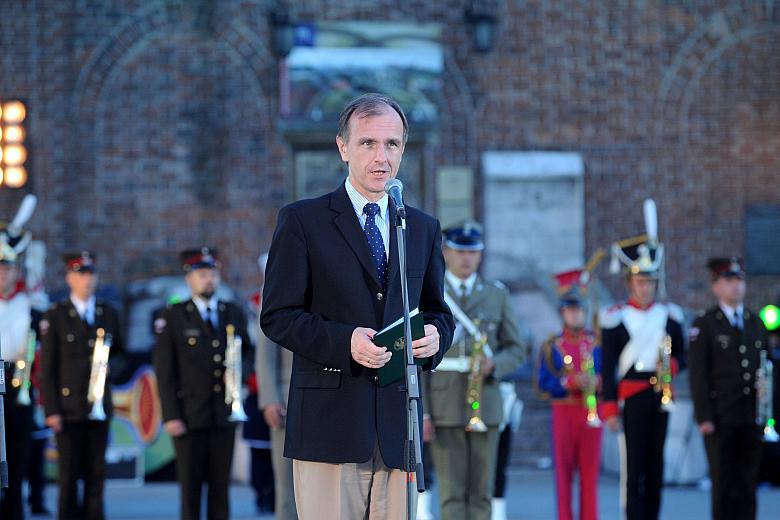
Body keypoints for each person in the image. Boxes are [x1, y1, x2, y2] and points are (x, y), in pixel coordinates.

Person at [260, 92, 454, 519]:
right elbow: (277, 316)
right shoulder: (302, 221)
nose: (381, 156)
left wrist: (435, 338)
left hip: (397, 429)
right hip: (329, 427)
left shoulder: (420, 227)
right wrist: (345, 341)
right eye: (368, 143)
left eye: (392, 144)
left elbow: (439, 311)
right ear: (343, 148)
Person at [423, 221, 526, 520]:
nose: (466, 258)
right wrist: (425, 412)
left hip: (487, 399)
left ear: (480, 255)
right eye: (459, 251)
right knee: (452, 492)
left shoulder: (497, 295)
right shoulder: (431, 293)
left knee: (482, 492)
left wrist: (497, 365)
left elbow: (517, 348)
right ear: (446, 253)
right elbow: (418, 358)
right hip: (445, 405)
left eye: (473, 252)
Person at [153, 247, 253, 520]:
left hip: (223, 413)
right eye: (201, 274)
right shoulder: (173, 316)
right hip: (189, 415)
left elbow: (248, 353)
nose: (208, 279)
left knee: (221, 490)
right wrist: (171, 415)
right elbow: (165, 371)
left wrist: (238, 377)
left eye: (212, 274)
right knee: (191, 490)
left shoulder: (231, 311)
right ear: (189, 279)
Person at [600, 228, 685, 520]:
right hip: (631, 398)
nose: (646, 287)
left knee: (656, 464)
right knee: (633, 465)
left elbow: (682, 355)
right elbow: (608, 365)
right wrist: (609, 405)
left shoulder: (670, 316)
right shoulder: (616, 318)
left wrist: (671, 366)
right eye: (640, 281)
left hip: (661, 395)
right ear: (629, 283)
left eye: (650, 281)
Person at [39, 251, 124, 520]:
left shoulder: (107, 313)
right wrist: (51, 410)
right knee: (68, 477)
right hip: (68, 408)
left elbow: (122, 354)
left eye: (90, 274)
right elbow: (47, 367)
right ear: (69, 278)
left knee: (96, 476)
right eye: (80, 274)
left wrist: (111, 369)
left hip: (98, 406)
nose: (87, 280)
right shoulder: (57, 315)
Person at [688, 257, 770, 520]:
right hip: (721, 416)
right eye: (729, 280)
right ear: (716, 286)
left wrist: (767, 407)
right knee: (723, 484)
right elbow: (698, 373)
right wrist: (704, 416)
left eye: (739, 280)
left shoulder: (755, 322)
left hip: (751, 416)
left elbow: (767, 367)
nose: (736, 286)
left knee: (748, 484)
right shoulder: (706, 323)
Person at [537, 268, 603, 520]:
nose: (575, 315)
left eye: (579, 310)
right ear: (563, 313)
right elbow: (542, 382)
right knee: (563, 477)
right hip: (563, 411)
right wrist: (568, 381)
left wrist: (599, 381)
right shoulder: (551, 345)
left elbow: (609, 375)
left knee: (589, 476)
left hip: (590, 411)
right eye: (570, 310)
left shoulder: (596, 343)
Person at [255, 255, 298, 520]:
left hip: (331, 396)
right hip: (287, 397)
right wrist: (270, 398)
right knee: (287, 486)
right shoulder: (277, 282)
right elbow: (266, 352)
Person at [0, 221, 36, 520]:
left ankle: (16, 512)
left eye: (8, 268)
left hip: (19, 379)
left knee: (18, 453)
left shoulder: (29, 302)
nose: (3, 274)